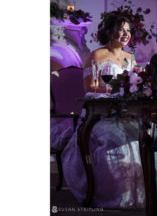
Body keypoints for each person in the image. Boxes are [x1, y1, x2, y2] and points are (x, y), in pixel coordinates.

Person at [61, 15, 145, 209]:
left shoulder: (130, 58)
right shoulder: (97, 55)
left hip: (125, 113)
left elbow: (136, 84)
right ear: (109, 32)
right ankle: (109, 195)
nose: (126, 34)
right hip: (101, 115)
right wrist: (115, 90)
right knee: (116, 141)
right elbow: (89, 88)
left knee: (142, 135)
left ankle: (139, 193)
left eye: (128, 30)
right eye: (121, 29)